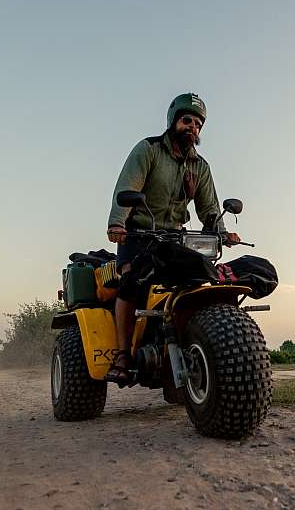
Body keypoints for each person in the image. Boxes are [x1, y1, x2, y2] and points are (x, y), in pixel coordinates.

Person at [104, 93, 240, 384]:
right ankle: (123, 355)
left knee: (196, 281)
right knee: (130, 283)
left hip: (174, 240)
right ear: (174, 121)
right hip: (137, 234)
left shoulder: (200, 167)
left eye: (198, 124)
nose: (192, 127)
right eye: (187, 120)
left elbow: (209, 209)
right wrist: (117, 222)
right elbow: (127, 187)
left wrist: (222, 232)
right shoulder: (149, 149)